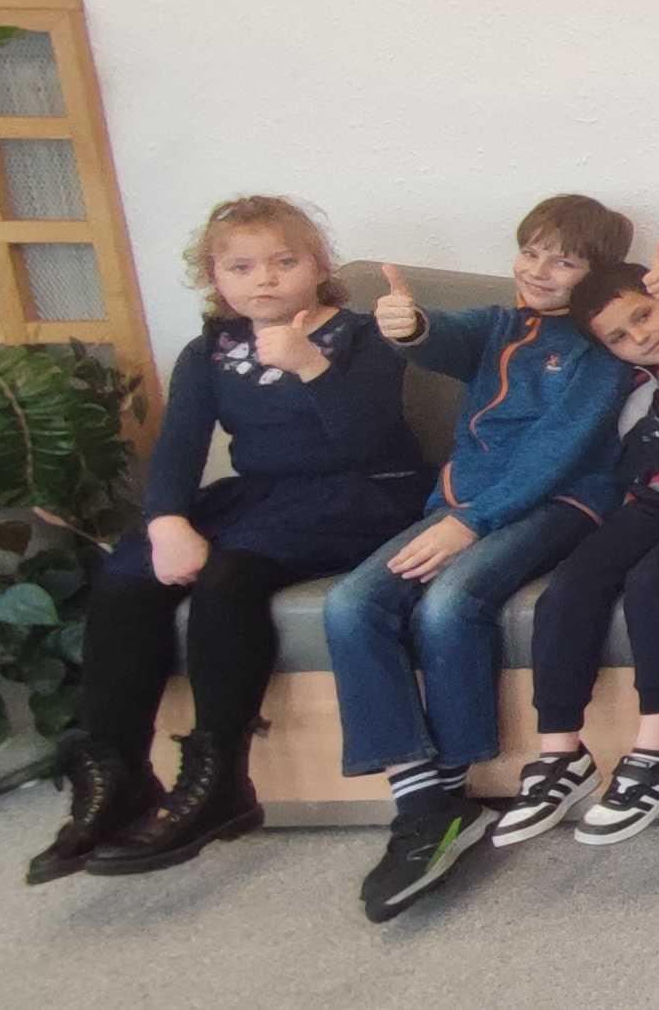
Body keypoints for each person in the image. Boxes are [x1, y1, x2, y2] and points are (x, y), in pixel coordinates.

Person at [34, 196, 429, 883]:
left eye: (284, 262)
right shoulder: (211, 350)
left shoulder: (363, 335)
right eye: (241, 267)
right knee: (128, 575)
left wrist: (310, 366)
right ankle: (118, 773)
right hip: (264, 493)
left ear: (320, 268)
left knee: (231, 574)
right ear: (214, 277)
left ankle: (220, 780)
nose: (264, 279)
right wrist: (167, 521)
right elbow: (179, 446)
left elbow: (367, 440)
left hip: (365, 490)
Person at [325, 193, 632, 922]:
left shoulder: (598, 347)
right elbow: (437, 339)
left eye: (564, 261)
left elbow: (557, 453)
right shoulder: (497, 324)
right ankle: (423, 802)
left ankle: (455, 776)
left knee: (449, 602)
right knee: (350, 604)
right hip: (461, 505)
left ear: (594, 273)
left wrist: (471, 523)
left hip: (558, 503)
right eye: (531, 252)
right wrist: (408, 326)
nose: (540, 270)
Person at [498, 251, 659, 850]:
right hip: (650, 500)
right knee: (569, 589)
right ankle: (560, 751)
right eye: (619, 337)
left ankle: (657, 749)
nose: (639, 337)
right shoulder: (631, 384)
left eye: (644, 316)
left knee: (653, 586)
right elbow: (634, 459)